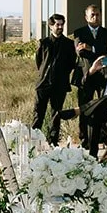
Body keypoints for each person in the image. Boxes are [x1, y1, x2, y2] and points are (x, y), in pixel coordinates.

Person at [32, 14, 76, 143]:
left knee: (56, 114)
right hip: (43, 83)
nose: (60, 27)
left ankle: (53, 142)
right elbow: (39, 62)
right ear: (51, 26)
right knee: (38, 113)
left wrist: (61, 75)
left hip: (60, 84)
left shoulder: (69, 44)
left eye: (62, 24)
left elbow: (71, 63)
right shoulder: (44, 43)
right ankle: (34, 140)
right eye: (57, 24)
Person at [72, 4, 107, 125]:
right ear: (86, 17)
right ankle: (84, 139)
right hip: (86, 75)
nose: (95, 17)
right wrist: (101, 53)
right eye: (92, 15)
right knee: (84, 108)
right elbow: (81, 53)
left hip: (103, 76)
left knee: (104, 106)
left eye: (98, 15)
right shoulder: (79, 32)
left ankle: (103, 136)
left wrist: (92, 48)